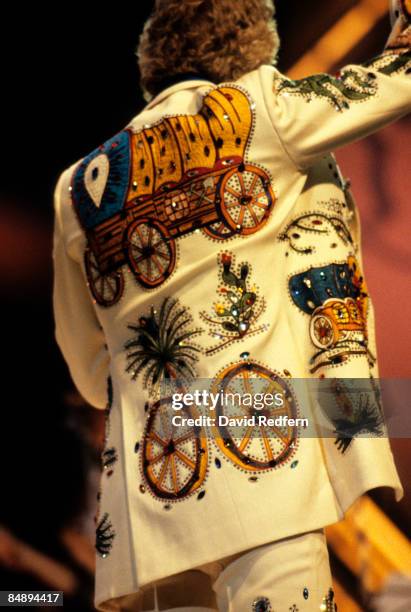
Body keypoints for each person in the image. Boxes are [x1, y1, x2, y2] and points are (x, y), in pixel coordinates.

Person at [52, 1, 411, 610]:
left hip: (148, 510)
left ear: (150, 70)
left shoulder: (75, 186)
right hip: (266, 486)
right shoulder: (258, 108)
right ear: (250, 55)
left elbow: (89, 370)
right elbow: (394, 84)